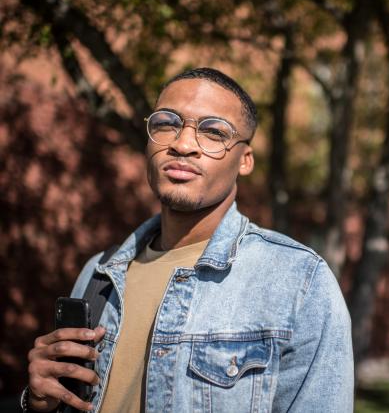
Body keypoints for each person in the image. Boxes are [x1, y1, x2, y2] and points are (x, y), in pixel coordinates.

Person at [22, 68, 354, 412]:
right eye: (167, 123)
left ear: (246, 160)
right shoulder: (99, 273)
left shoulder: (298, 280)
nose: (182, 144)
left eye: (213, 131)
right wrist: (40, 402)